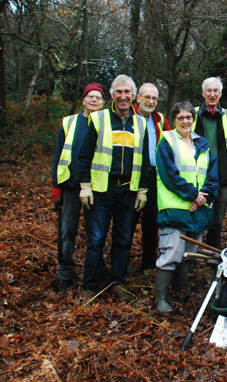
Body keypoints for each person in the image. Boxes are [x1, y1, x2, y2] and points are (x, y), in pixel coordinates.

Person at [78, 74, 151, 303]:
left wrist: (142, 190)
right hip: (101, 190)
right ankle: (89, 287)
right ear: (111, 95)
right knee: (97, 239)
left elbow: (145, 161)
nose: (123, 96)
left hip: (128, 192)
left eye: (127, 92)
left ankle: (117, 282)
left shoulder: (140, 123)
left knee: (123, 239)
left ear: (134, 96)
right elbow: (84, 155)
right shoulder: (99, 119)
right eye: (119, 92)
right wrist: (85, 186)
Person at [154, 101, 218, 313]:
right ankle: (161, 300)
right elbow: (169, 175)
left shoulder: (203, 144)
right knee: (171, 251)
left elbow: (212, 175)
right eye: (180, 118)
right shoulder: (167, 141)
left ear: (194, 119)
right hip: (174, 207)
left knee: (189, 252)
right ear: (174, 120)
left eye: (188, 117)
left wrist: (201, 198)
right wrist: (192, 195)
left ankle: (181, 292)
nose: (185, 121)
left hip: (197, 208)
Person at [51, 82, 105, 292]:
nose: (94, 100)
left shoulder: (106, 123)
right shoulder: (69, 123)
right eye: (90, 96)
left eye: (98, 97)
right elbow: (58, 155)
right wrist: (56, 188)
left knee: (97, 232)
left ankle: (97, 270)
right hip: (71, 187)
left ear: (103, 102)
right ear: (83, 100)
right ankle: (65, 272)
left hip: (97, 186)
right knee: (67, 231)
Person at [192, 77, 227, 249]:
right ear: (203, 93)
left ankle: (213, 253)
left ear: (220, 94)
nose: (212, 95)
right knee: (197, 216)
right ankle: (193, 254)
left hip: (221, 176)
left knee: (217, 221)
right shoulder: (194, 114)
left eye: (216, 91)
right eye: (209, 91)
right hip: (198, 176)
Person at [132, 83, 170, 271]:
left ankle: (148, 263)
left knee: (151, 222)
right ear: (138, 98)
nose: (151, 101)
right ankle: (121, 264)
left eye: (154, 98)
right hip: (132, 175)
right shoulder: (128, 117)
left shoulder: (159, 119)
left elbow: (170, 142)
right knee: (129, 221)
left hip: (154, 175)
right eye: (147, 97)